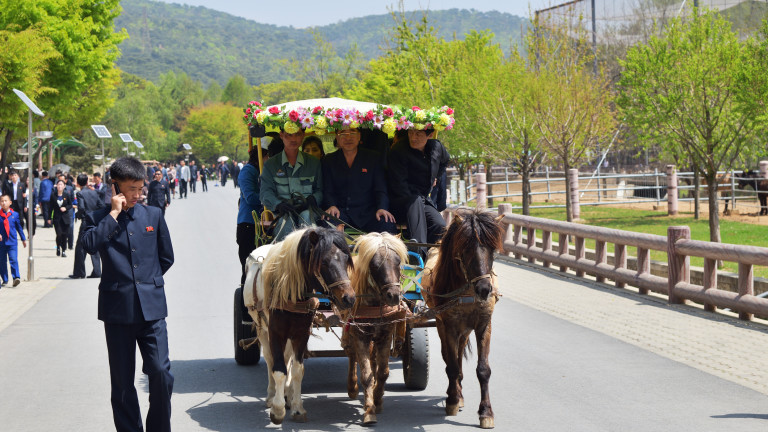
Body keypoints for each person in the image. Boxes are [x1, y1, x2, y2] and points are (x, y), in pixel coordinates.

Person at [81, 157, 174, 432]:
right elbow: (88, 244)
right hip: (117, 310)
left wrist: (148, 283)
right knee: (122, 383)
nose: (137, 194)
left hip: (152, 310)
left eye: (140, 187)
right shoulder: (97, 218)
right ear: (115, 186)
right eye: (131, 188)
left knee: (160, 372)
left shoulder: (153, 215)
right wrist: (113, 214)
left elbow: (166, 257)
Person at [387, 127, 451, 256]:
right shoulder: (398, 150)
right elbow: (399, 185)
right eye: (411, 133)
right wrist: (418, 204)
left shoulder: (436, 146)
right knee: (415, 202)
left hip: (422, 199)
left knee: (439, 225)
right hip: (400, 200)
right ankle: (418, 254)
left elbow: (445, 161)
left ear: (430, 135)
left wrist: (436, 178)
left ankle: (432, 258)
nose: (413, 137)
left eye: (418, 134)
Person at [322, 127, 395, 233]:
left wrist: (382, 207)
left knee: (386, 223)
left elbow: (380, 188)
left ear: (359, 136)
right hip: (341, 212)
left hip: (368, 212)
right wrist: (331, 205)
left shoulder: (373, 158)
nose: (348, 137)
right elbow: (328, 190)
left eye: (352, 132)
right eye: (343, 133)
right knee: (327, 223)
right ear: (337, 137)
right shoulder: (329, 160)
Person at [260, 124, 322, 242]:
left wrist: (312, 200)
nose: (293, 139)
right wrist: (278, 205)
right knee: (287, 221)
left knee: (306, 217)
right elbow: (265, 193)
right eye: (289, 135)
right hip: (282, 214)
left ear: (303, 135)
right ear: (282, 135)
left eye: (298, 134)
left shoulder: (314, 163)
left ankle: (309, 256)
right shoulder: (270, 165)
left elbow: (320, 190)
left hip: (309, 213)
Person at [236, 147, 264, 285]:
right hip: (249, 225)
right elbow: (251, 197)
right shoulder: (248, 171)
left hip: (266, 224)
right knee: (249, 271)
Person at [70, 174, 105, 279]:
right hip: (95, 221)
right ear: (86, 182)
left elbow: (80, 208)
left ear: (78, 183)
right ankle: (97, 271)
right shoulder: (94, 193)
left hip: (86, 222)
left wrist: (79, 215)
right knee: (95, 245)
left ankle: (79, 272)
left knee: (80, 247)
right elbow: (101, 206)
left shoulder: (80, 193)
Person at [0, 194, 26, 287]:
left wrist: (23, 239)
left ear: (10, 202)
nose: (4, 203)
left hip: (12, 242)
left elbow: (19, 228)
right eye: (2, 201)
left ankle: (16, 278)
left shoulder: (15, 215)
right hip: (1, 243)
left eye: (5, 201)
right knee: (2, 261)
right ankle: (5, 279)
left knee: (13, 259)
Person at [50, 179, 73, 257]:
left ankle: (63, 250)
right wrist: (49, 218)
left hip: (65, 218)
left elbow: (70, 205)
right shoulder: (53, 195)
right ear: (56, 186)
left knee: (65, 235)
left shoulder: (67, 195)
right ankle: (58, 248)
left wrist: (65, 208)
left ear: (64, 186)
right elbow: (50, 207)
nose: (60, 186)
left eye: (61, 185)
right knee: (59, 234)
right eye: (58, 184)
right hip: (57, 218)